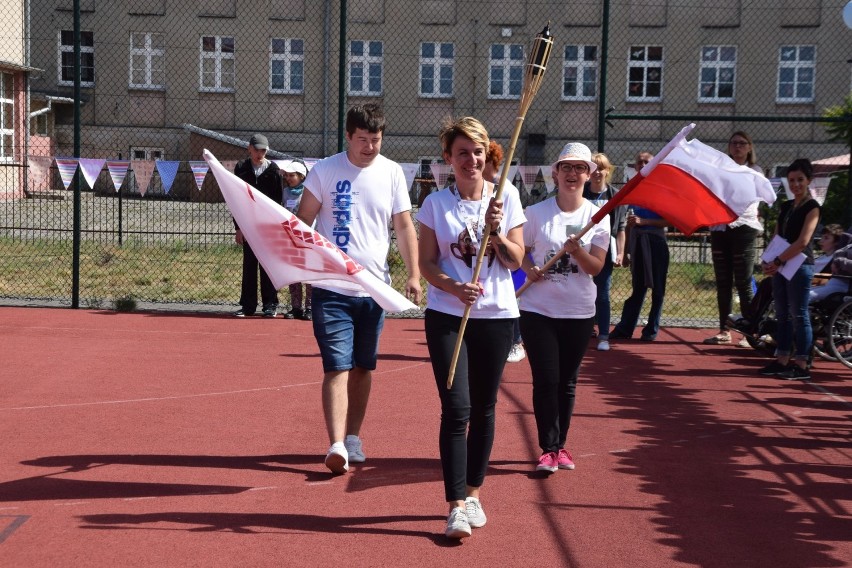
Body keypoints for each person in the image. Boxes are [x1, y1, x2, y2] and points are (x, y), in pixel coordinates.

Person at [297, 103, 422, 474]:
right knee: (336, 365)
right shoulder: (324, 170)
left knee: (363, 366)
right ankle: (336, 444)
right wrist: (303, 264)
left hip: (373, 290)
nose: (370, 147)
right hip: (331, 287)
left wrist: (414, 274)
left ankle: (353, 436)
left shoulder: (393, 173)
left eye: (376, 140)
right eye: (363, 140)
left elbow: (403, 227)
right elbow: (302, 221)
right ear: (348, 136)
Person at [417, 117, 525, 539]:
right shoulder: (434, 205)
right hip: (448, 315)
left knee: (483, 408)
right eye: (462, 152)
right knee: (456, 407)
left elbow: (516, 260)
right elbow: (427, 263)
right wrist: (453, 286)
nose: (471, 159)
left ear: (488, 156)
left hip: (497, 316)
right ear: (449, 158)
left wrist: (496, 233)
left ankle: (475, 492)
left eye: (478, 152)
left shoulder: (507, 197)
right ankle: (455, 505)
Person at [520, 142, 609, 473]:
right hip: (538, 310)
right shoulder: (536, 213)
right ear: (555, 173)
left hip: (578, 312)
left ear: (589, 174)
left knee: (567, 382)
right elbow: (519, 254)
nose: (573, 174)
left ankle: (561, 447)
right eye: (566, 167)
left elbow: (596, 268)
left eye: (580, 168)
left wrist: (577, 252)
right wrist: (527, 268)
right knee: (546, 378)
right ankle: (548, 448)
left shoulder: (598, 217)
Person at [758, 158, 821, 380]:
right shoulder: (785, 206)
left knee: (799, 314)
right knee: (782, 314)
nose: (795, 184)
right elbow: (777, 237)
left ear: (809, 181)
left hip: (800, 265)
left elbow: (803, 241)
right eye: (792, 180)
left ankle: (802, 363)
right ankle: (782, 359)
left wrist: (778, 261)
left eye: (800, 180)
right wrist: (768, 260)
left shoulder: (812, 207)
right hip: (781, 265)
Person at [703, 131, 764, 346]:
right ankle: (724, 330)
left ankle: (750, 334)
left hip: (744, 228)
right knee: (723, 283)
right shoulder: (720, 169)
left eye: (742, 143)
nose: (737, 147)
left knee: (744, 282)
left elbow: (753, 198)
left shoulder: (755, 172)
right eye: (734, 143)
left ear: (749, 148)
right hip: (720, 228)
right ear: (729, 147)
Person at [609, 152, 670, 342]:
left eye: (647, 162)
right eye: (640, 162)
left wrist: (644, 221)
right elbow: (629, 224)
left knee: (658, 289)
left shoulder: (661, 189)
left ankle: (651, 330)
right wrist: (626, 252)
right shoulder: (634, 188)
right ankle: (626, 327)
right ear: (635, 166)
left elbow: (667, 220)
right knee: (638, 288)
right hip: (637, 242)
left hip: (656, 242)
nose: (643, 164)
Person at [482, 140, 526, 364]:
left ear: (491, 161)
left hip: (504, 254)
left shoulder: (504, 190)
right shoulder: (477, 187)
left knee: (512, 295)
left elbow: (512, 228)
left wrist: (498, 241)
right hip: (484, 259)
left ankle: (516, 342)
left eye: (483, 158)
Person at [233, 134, 283, 318]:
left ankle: (270, 304)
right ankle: (248, 306)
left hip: (268, 225)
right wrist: (238, 227)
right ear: (249, 148)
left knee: (267, 264)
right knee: (249, 264)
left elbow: (278, 201)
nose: (260, 153)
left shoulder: (274, 170)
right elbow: (235, 199)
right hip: (247, 224)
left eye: (263, 150)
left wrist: (276, 227)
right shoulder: (241, 168)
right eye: (257, 150)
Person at [583, 152, 627, 351]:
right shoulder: (581, 192)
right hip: (582, 248)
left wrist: (620, 252)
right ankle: (584, 330)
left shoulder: (615, 195)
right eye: (594, 168)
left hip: (605, 250)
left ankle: (603, 335)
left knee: (602, 293)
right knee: (582, 291)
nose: (597, 172)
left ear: (608, 171)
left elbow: (621, 228)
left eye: (601, 168)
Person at [280, 159, 313, 321]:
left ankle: (310, 307)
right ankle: (296, 307)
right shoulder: (285, 192)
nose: (288, 178)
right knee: (294, 274)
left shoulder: (309, 192)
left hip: (307, 238)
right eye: (286, 175)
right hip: (290, 237)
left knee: (308, 274)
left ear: (301, 176)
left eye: (292, 175)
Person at [810, 224, 851, 304]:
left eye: (826, 238)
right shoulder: (821, 257)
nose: (821, 241)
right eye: (822, 237)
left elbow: (823, 278)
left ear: (836, 242)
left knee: (805, 295)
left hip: (837, 285)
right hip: (824, 282)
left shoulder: (835, 259)